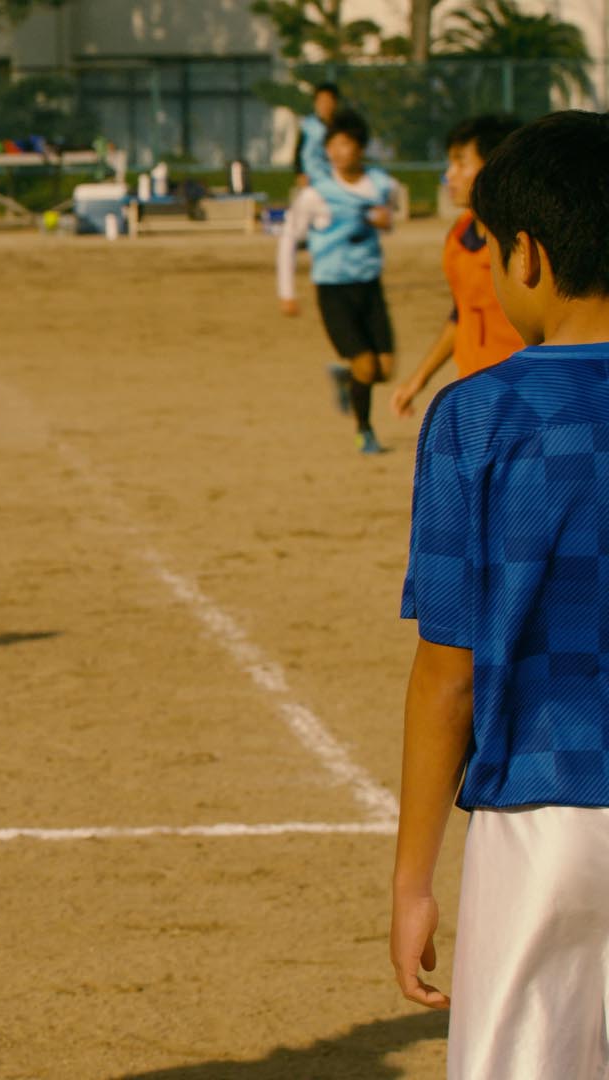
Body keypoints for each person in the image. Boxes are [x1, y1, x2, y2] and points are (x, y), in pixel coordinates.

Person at [391, 110, 609, 1078]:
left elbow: (450, 673)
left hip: (543, 819)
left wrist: (413, 882)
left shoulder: (478, 416)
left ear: (526, 254)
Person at [277, 109, 399, 454]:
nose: (338, 151)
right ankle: (365, 432)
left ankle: (345, 379)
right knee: (365, 364)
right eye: (332, 145)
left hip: (370, 286)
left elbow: (388, 222)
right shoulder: (317, 194)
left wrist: (383, 221)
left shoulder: (380, 184)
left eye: (345, 144)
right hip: (333, 289)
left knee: (384, 370)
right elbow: (289, 239)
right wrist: (287, 293)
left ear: (360, 147)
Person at [389, 115, 525, 418]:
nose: (449, 175)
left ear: (496, 167)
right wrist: (418, 379)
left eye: (461, 163)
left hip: (524, 395)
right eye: (449, 163)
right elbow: (461, 314)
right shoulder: (458, 235)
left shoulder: (526, 243)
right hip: (475, 392)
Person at [293, 82, 341, 187]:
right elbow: (298, 151)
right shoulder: (308, 125)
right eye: (321, 101)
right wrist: (300, 173)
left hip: (334, 178)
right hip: (311, 178)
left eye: (328, 101)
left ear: (335, 103)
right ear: (315, 103)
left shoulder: (341, 126)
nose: (324, 105)